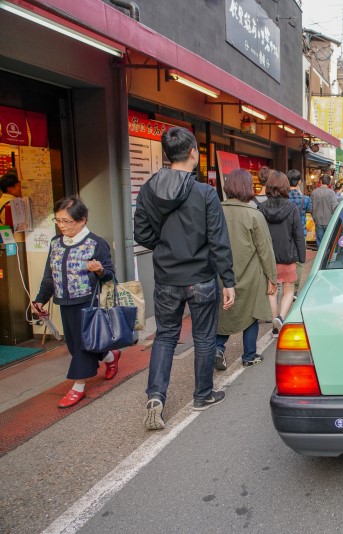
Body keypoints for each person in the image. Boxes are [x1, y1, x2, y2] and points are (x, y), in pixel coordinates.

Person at [135, 126, 235, 430]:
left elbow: (141, 233)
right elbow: (218, 241)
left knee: (165, 336)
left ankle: (155, 397)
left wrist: (165, 246)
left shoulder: (148, 190)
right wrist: (228, 280)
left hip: (166, 276)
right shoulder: (205, 193)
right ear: (193, 152)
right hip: (201, 277)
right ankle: (202, 394)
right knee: (204, 336)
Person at [32, 196, 118, 408]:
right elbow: (49, 276)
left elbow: (110, 277)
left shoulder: (96, 244)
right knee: (76, 344)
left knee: (81, 346)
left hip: (89, 303)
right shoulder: (55, 244)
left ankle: (78, 386)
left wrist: (99, 270)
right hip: (65, 303)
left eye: (67, 221)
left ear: (83, 220)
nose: (62, 226)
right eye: (58, 220)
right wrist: (40, 299)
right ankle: (110, 357)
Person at [215, 169, 277, 369]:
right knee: (251, 311)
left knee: (224, 312)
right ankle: (249, 355)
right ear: (248, 188)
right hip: (250, 273)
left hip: (221, 273)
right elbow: (265, 249)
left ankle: (217, 348)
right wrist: (271, 277)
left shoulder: (216, 210)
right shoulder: (254, 214)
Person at [260, 170, 306, 337]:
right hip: (288, 256)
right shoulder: (291, 208)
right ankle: (280, 317)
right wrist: (301, 256)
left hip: (268, 258)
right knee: (288, 291)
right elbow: (298, 234)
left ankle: (274, 323)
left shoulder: (261, 208)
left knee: (271, 292)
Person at [287, 169, 311, 294]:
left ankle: (286, 286)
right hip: (301, 233)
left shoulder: (284, 197)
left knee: (286, 259)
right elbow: (310, 210)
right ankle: (295, 289)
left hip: (286, 233)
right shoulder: (305, 199)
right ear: (300, 182)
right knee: (299, 261)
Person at [310, 174, 338, 247]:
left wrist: (314, 217)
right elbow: (334, 207)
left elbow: (311, 208)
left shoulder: (314, 192)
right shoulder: (331, 193)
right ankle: (328, 257)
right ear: (329, 183)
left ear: (321, 181)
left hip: (318, 220)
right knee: (329, 242)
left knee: (320, 242)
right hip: (329, 220)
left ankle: (321, 257)